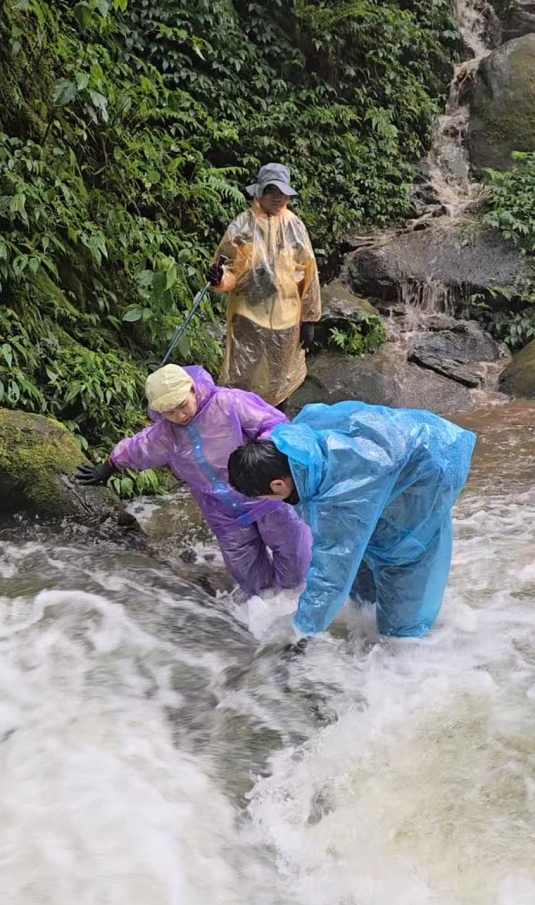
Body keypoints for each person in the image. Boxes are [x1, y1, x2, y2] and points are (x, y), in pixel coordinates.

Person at [227, 401, 476, 637]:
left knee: (404, 557)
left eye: (266, 496)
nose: (272, 501)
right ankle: (371, 611)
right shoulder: (296, 442)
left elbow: (331, 573)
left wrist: (301, 631)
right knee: (363, 566)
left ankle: (409, 638)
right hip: (405, 442)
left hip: (434, 464)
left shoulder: (340, 497)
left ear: (278, 484)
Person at [74, 364, 312, 599]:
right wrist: (109, 466)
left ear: (192, 388)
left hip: (265, 494)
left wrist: (262, 456)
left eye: (182, 405)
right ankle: (268, 616)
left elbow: (274, 424)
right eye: (169, 412)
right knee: (249, 575)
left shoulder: (228, 403)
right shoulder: (167, 432)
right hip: (221, 511)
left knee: (294, 561)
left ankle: (297, 610)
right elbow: (139, 447)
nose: (180, 416)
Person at [205, 162, 321, 411]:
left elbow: (308, 273)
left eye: (282, 193)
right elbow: (231, 271)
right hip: (248, 318)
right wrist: (218, 278)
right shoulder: (242, 227)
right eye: (272, 192)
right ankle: (242, 431)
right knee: (243, 377)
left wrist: (309, 319)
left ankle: (273, 434)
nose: (278, 198)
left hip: (287, 319)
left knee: (280, 381)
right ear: (259, 192)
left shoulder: (295, 227)